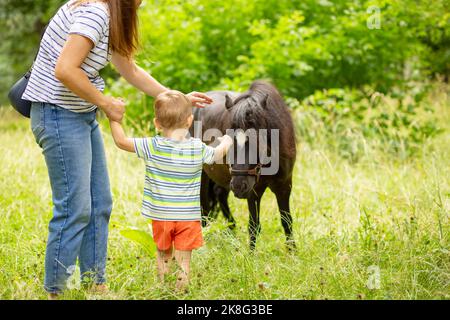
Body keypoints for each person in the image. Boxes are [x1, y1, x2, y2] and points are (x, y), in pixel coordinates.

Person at [22, 0, 212, 299]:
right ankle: (54, 292)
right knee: (75, 208)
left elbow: (130, 69)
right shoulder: (95, 12)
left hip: (81, 114)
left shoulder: (111, 16)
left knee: (100, 203)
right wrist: (106, 103)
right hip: (57, 114)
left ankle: (96, 284)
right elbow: (65, 69)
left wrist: (176, 99)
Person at [109, 90, 233, 291]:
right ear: (190, 121)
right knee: (184, 262)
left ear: (156, 123)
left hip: (161, 216)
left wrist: (114, 118)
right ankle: (180, 292)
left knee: (163, 255)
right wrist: (227, 140)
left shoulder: (152, 146)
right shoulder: (197, 148)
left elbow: (121, 142)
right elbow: (217, 153)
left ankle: (163, 289)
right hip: (188, 218)